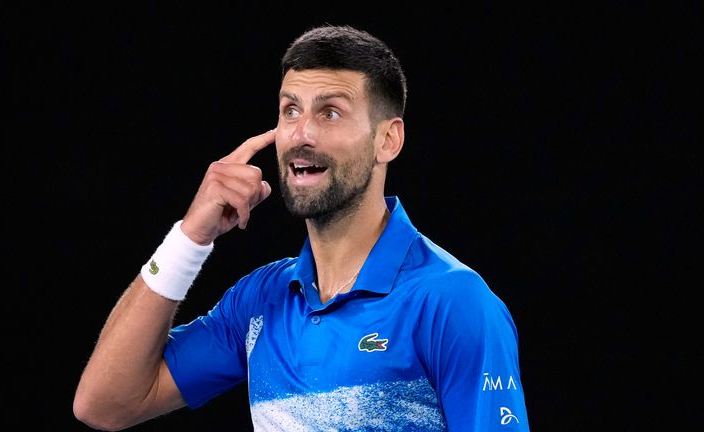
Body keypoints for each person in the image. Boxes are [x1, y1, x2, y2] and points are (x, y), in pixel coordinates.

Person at [73, 24, 530, 431]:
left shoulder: (452, 301)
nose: (301, 133)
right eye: (290, 110)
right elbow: (106, 404)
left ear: (387, 140)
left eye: (330, 112)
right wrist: (190, 238)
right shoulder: (258, 302)